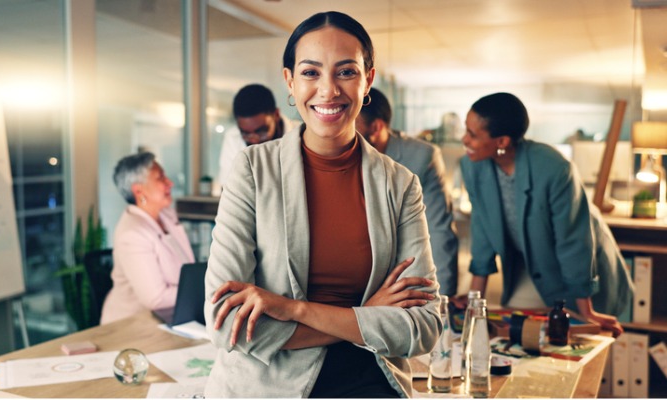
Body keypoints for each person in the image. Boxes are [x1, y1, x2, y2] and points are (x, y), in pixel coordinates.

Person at [204, 11, 442, 398]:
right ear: (290, 82)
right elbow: (225, 321)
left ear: (368, 80)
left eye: (346, 72)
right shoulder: (252, 169)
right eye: (311, 73)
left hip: (371, 381)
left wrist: (294, 309)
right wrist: (366, 316)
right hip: (267, 386)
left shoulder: (400, 185)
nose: (328, 90)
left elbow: (423, 327)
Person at [458, 92, 633, 336]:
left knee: (576, 333)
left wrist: (587, 312)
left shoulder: (554, 169)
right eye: (466, 130)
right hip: (526, 263)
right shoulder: (471, 166)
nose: (464, 139)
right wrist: (474, 300)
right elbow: (482, 228)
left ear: (501, 142)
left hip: (577, 267)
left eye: (473, 135)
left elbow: (573, 241)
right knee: (521, 336)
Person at [356, 87, 459, 297]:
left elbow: (439, 232)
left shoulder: (422, 157)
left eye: (350, 123)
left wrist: (441, 301)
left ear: (375, 127)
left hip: (401, 279)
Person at [100, 152, 195, 325]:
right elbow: (155, 298)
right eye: (160, 178)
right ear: (139, 190)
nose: (170, 183)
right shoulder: (132, 234)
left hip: (172, 318)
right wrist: (204, 288)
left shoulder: (166, 214)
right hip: (132, 326)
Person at [217, 83, 301, 188]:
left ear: (276, 115)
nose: (254, 140)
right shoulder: (233, 137)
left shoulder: (301, 134)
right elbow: (227, 187)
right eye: (246, 133)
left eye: (261, 131)